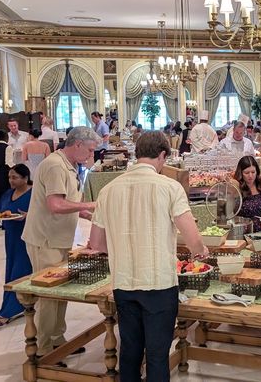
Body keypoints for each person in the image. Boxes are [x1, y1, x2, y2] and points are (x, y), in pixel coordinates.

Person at [88, 131, 209, 382]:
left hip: (123, 282)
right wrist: (201, 251)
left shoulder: (108, 190)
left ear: (137, 154)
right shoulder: (169, 187)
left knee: (130, 351)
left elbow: (97, 243)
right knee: (156, 354)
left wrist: (123, 247)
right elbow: (192, 237)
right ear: (162, 155)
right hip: (158, 284)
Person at [21, 126, 99, 362]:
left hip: (59, 237)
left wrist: (90, 215)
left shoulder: (70, 165)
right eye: (90, 150)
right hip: (46, 239)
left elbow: (69, 203)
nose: (91, 155)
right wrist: (89, 206)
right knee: (49, 294)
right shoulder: (55, 165)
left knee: (60, 292)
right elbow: (56, 205)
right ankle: (45, 348)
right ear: (77, 145)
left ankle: (57, 338)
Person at [0, 164, 33, 328]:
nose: (11, 180)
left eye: (15, 177)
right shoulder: (8, 193)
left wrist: (27, 216)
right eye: (9, 177)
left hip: (27, 237)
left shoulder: (33, 194)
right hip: (11, 237)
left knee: (19, 272)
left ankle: (8, 312)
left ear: (25, 178)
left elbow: (42, 214)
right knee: (11, 270)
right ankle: (17, 305)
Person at [234, 156, 261, 232]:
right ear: (241, 173)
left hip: (260, 229)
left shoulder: (260, 185)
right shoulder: (236, 187)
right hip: (242, 230)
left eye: (253, 172)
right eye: (246, 173)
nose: (250, 176)